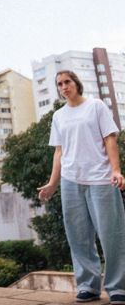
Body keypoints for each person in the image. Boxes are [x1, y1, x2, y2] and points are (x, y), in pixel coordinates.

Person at [38, 70, 125, 304]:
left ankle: (118, 287)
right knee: (78, 237)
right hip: (70, 180)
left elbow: (110, 138)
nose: (64, 87)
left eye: (67, 82)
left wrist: (116, 170)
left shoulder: (96, 106)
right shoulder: (58, 116)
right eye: (59, 84)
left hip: (101, 178)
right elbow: (59, 151)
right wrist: (52, 183)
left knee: (111, 235)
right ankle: (88, 286)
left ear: (76, 83)